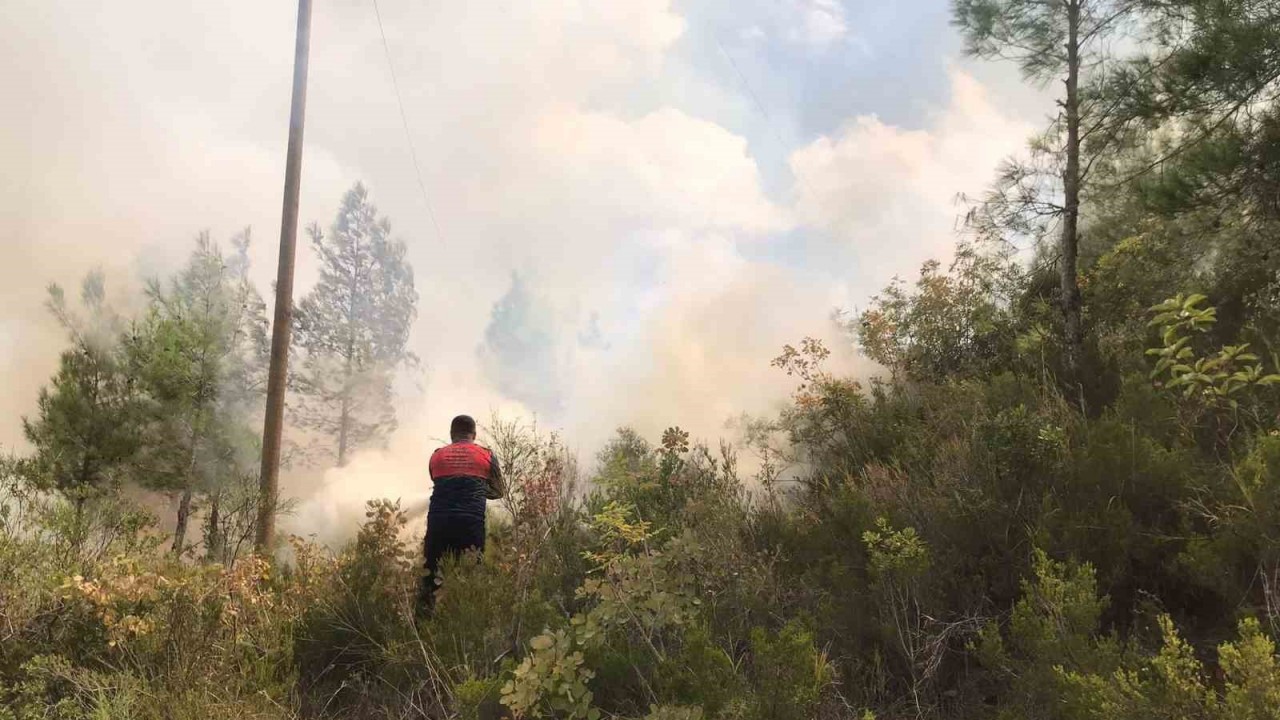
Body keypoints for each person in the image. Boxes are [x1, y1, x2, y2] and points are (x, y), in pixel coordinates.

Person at [416, 414, 505, 615]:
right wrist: (479, 491)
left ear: (451, 434)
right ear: (474, 434)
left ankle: (422, 627)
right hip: (470, 525)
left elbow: (436, 478)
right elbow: (499, 491)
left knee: (430, 577)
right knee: (471, 576)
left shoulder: (437, 456)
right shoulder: (487, 456)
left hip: (439, 524)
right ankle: (466, 625)